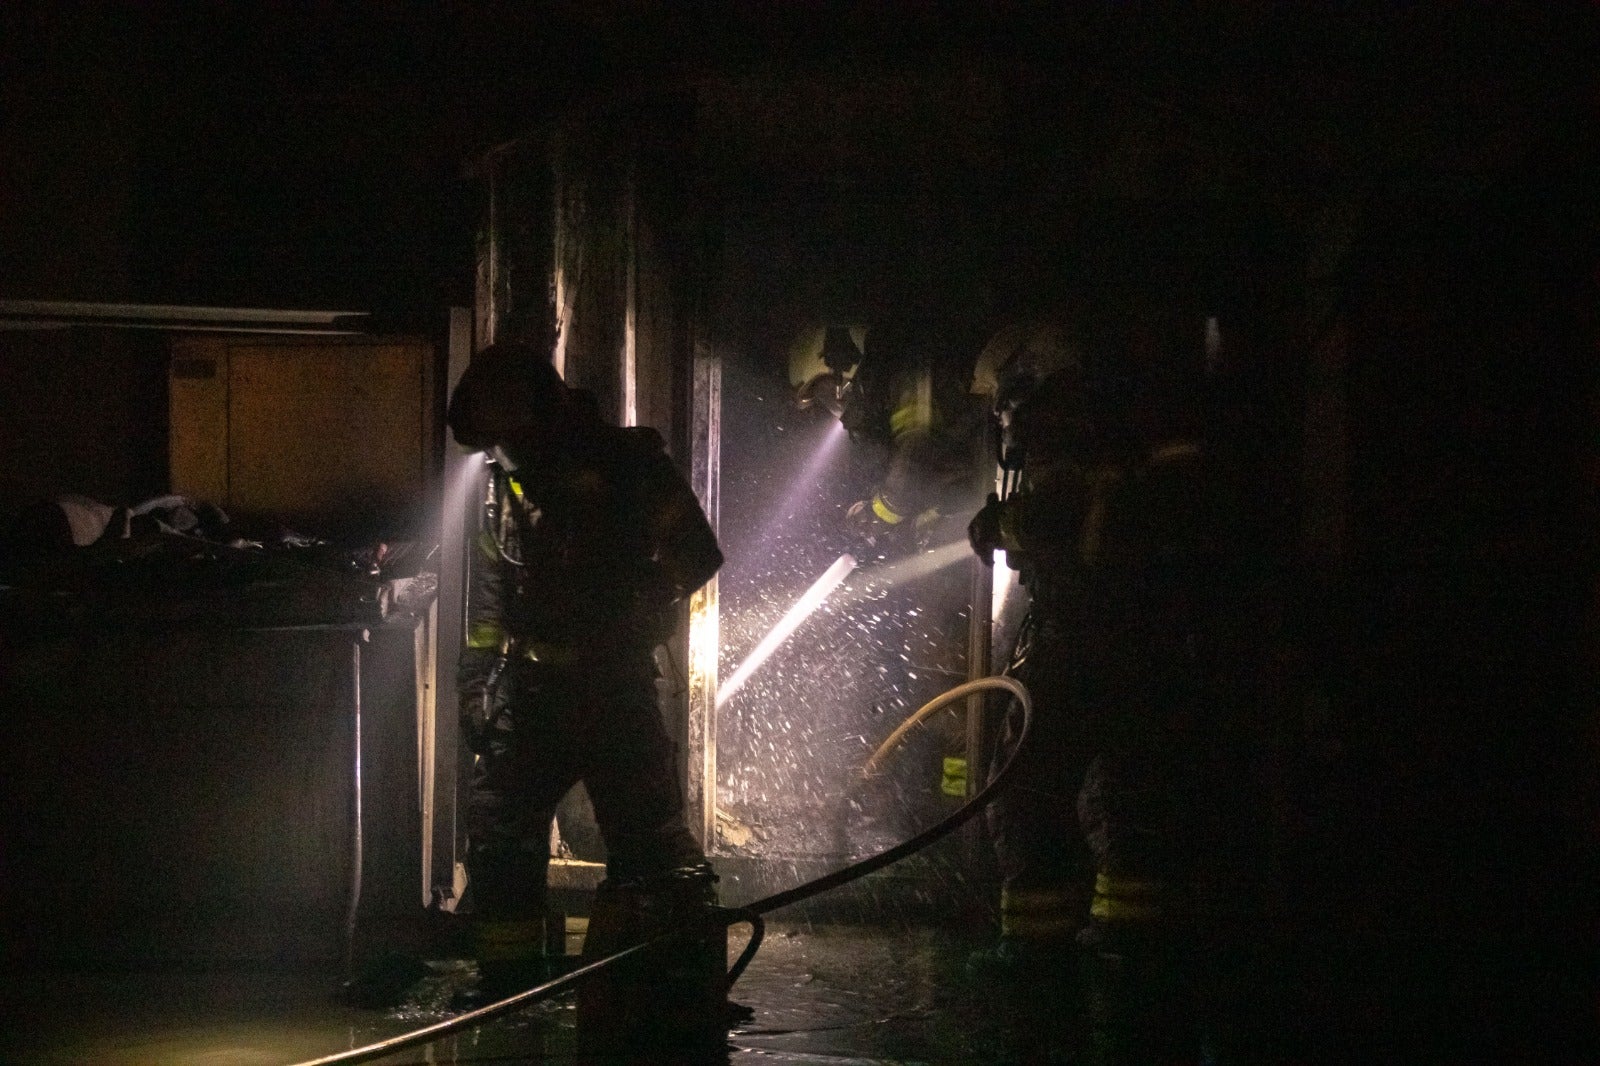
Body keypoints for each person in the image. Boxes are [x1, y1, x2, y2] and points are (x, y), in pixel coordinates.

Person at [445, 341, 725, 1008]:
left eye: (504, 442)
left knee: (652, 849)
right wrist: (475, 685)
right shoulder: (500, 483)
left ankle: (663, 987)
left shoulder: (631, 466)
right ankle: (509, 992)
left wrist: (640, 601)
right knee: (500, 846)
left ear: (539, 420)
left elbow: (699, 555)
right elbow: (488, 600)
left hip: (613, 689)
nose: (497, 459)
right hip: (524, 693)